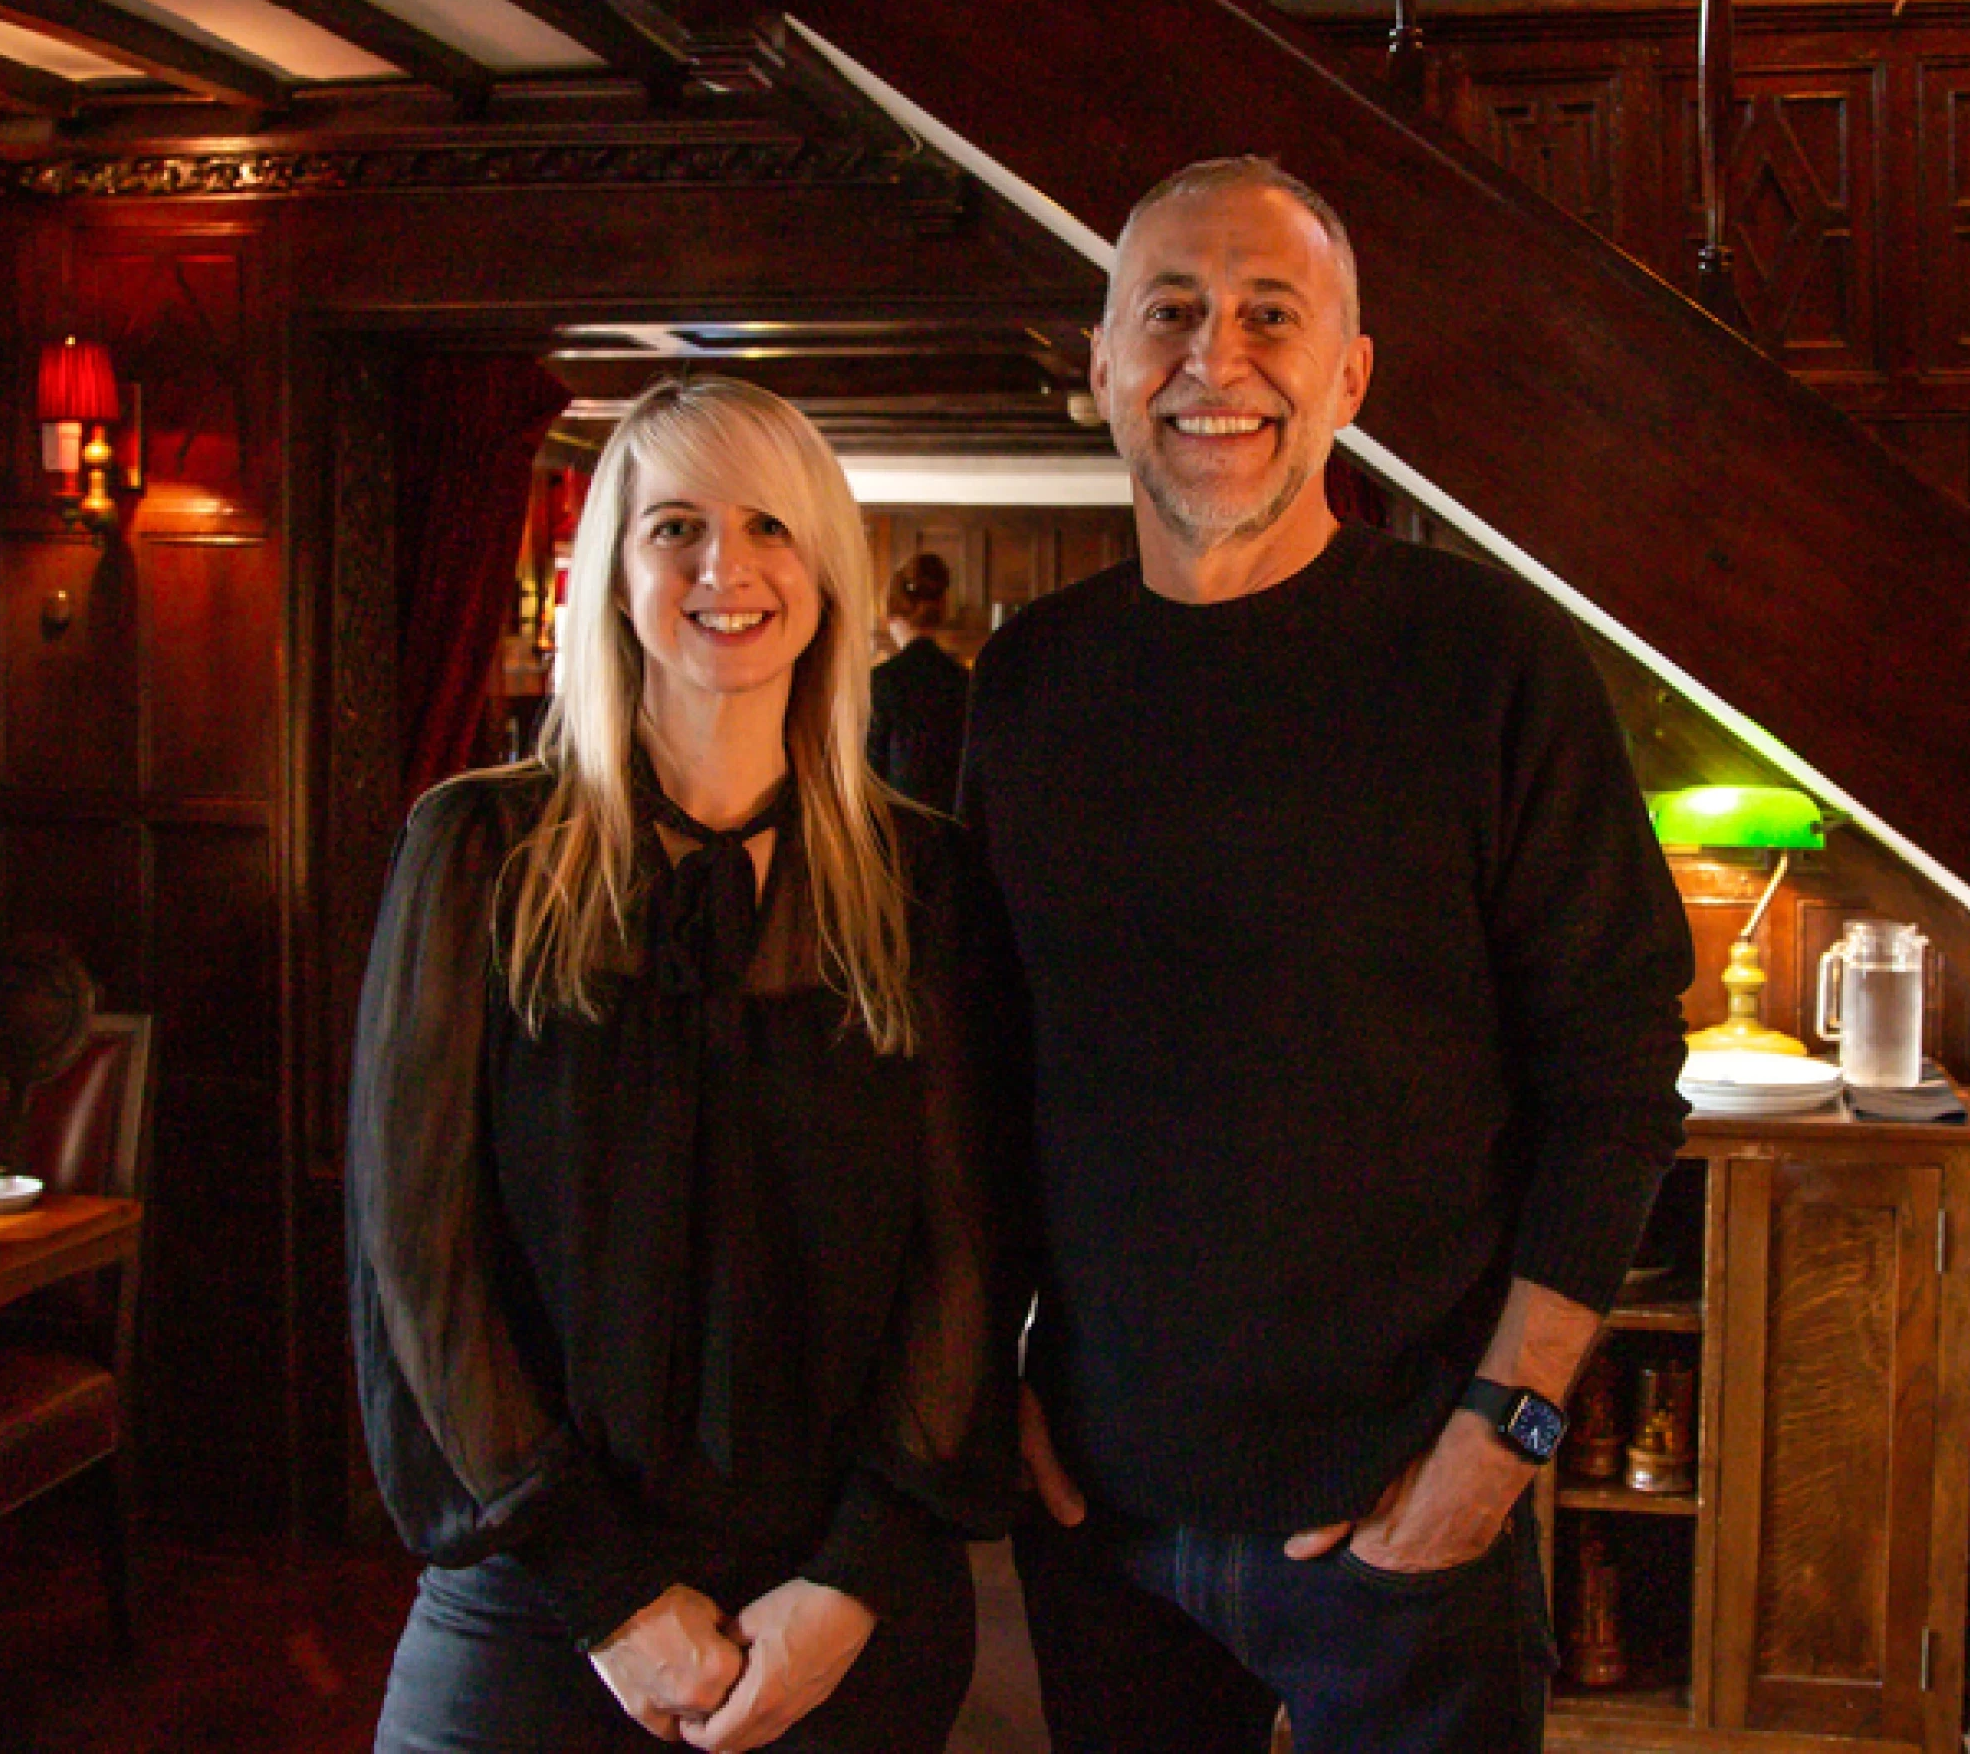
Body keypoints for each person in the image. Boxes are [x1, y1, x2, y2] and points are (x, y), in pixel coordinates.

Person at [959, 157, 1696, 1752]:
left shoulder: (1489, 661)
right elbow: (987, 1079)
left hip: (1407, 1526)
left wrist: (1503, 1434)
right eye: (1169, 313)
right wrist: (986, 1389)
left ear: (1350, 377)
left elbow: (1621, 1072)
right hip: (1103, 1525)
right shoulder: (1026, 685)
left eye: (1270, 316)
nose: (1213, 360)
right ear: (1102, 364)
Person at [349, 376, 1020, 1754]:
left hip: (844, 1605)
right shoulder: (477, 851)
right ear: (613, 571)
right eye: (676, 529)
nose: (728, 566)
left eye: (771, 525)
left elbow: (969, 1247)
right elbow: (417, 1259)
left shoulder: (927, 878)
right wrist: (606, 1593)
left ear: (826, 573)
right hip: (538, 1595)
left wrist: (850, 1578)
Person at [866, 552, 971, 810]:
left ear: (892, 616)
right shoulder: (966, 681)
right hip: (955, 824)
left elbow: (870, 777)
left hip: (899, 823)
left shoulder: (881, 682)